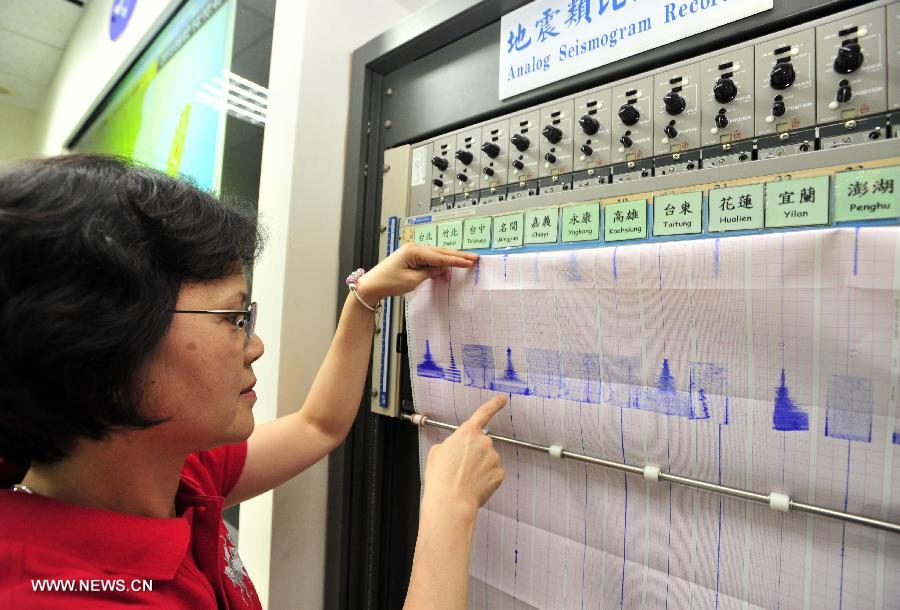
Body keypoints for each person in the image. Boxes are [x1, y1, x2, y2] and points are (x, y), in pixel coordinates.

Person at [0, 154, 507, 609]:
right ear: (101, 348)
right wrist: (449, 511)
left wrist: (364, 300)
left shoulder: (175, 475)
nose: (255, 344)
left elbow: (317, 426)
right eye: (232, 317)